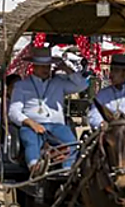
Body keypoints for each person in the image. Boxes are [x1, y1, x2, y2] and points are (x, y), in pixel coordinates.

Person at [7, 48, 90, 177]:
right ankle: (35, 168)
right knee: (31, 141)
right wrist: (30, 123)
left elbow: (82, 85)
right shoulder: (22, 85)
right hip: (32, 125)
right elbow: (14, 111)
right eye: (42, 66)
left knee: (73, 143)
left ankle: (66, 172)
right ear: (34, 66)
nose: (46, 69)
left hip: (57, 125)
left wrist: (68, 70)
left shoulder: (59, 82)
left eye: (47, 66)